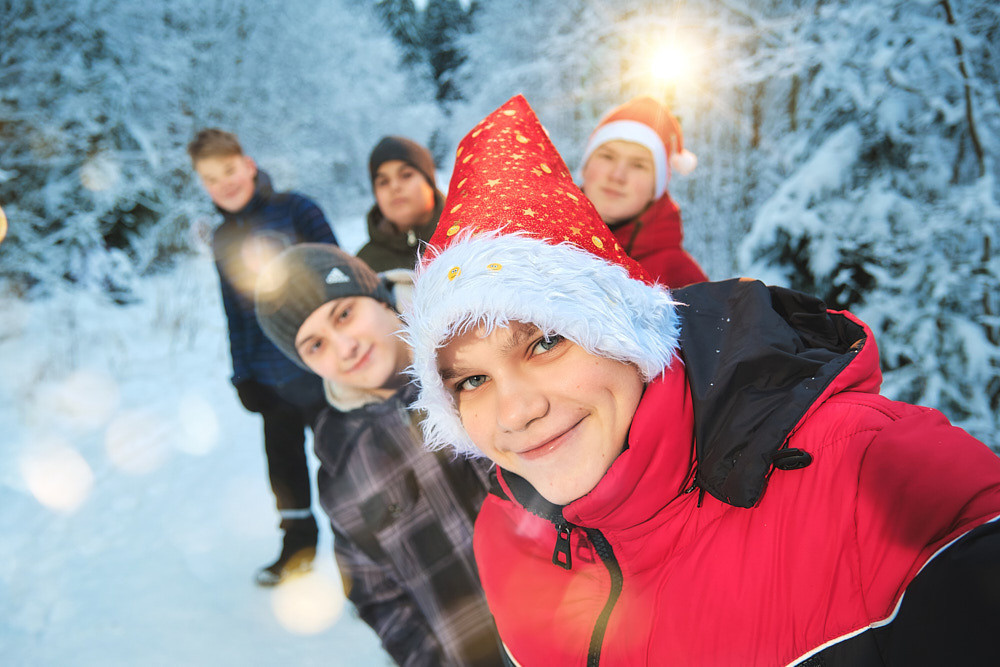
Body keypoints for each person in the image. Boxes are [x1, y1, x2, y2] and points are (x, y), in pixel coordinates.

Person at [403, 95, 1000, 665]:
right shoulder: (506, 538)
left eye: (548, 340)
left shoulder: (871, 475)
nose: (514, 412)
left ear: (635, 328)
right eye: (471, 381)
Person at [253, 244, 503, 666]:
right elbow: (377, 596)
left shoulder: (476, 351)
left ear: (379, 296)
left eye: (344, 314)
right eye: (316, 345)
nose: (345, 347)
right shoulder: (343, 464)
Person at [187, 128, 335, 586]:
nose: (224, 184)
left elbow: (340, 278)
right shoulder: (222, 237)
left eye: (229, 170)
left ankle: (368, 559)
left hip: (324, 370)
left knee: (344, 463)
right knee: (285, 469)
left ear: (248, 164)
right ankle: (297, 548)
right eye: (211, 179)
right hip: (271, 381)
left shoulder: (297, 210)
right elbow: (235, 313)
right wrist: (243, 374)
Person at [580, 95, 708, 287]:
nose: (617, 175)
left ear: (655, 187)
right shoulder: (534, 243)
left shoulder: (680, 278)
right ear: (586, 166)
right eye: (607, 156)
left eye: (638, 165)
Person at [357, 136, 444, 272]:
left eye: (406, 175)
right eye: (383, 182)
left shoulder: (470, 237)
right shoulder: (363, 267)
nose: (395, 187)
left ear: (430, 181)